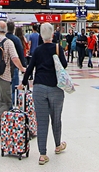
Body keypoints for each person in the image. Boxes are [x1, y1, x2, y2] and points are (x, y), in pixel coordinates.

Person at [21, 23, 68, 165]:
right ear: (52, 34)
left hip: (39, 88)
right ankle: (58, 145)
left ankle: (42, 154)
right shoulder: (57, 48)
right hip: (55, 88)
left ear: (41, 35)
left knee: (41, 121)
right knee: (56, 118)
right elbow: (64, 65)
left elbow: (30, 68)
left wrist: (23, 83)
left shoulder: (37, 50)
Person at [5, 21, 26, 100]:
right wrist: (23, 66)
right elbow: (21, 53)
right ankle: (13, 101)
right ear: (13, 29)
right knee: (14, 86)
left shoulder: (3, 39)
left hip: (3, 66)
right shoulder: (16, 39)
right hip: (14, 65)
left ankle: (5, 102)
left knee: (5, 87)